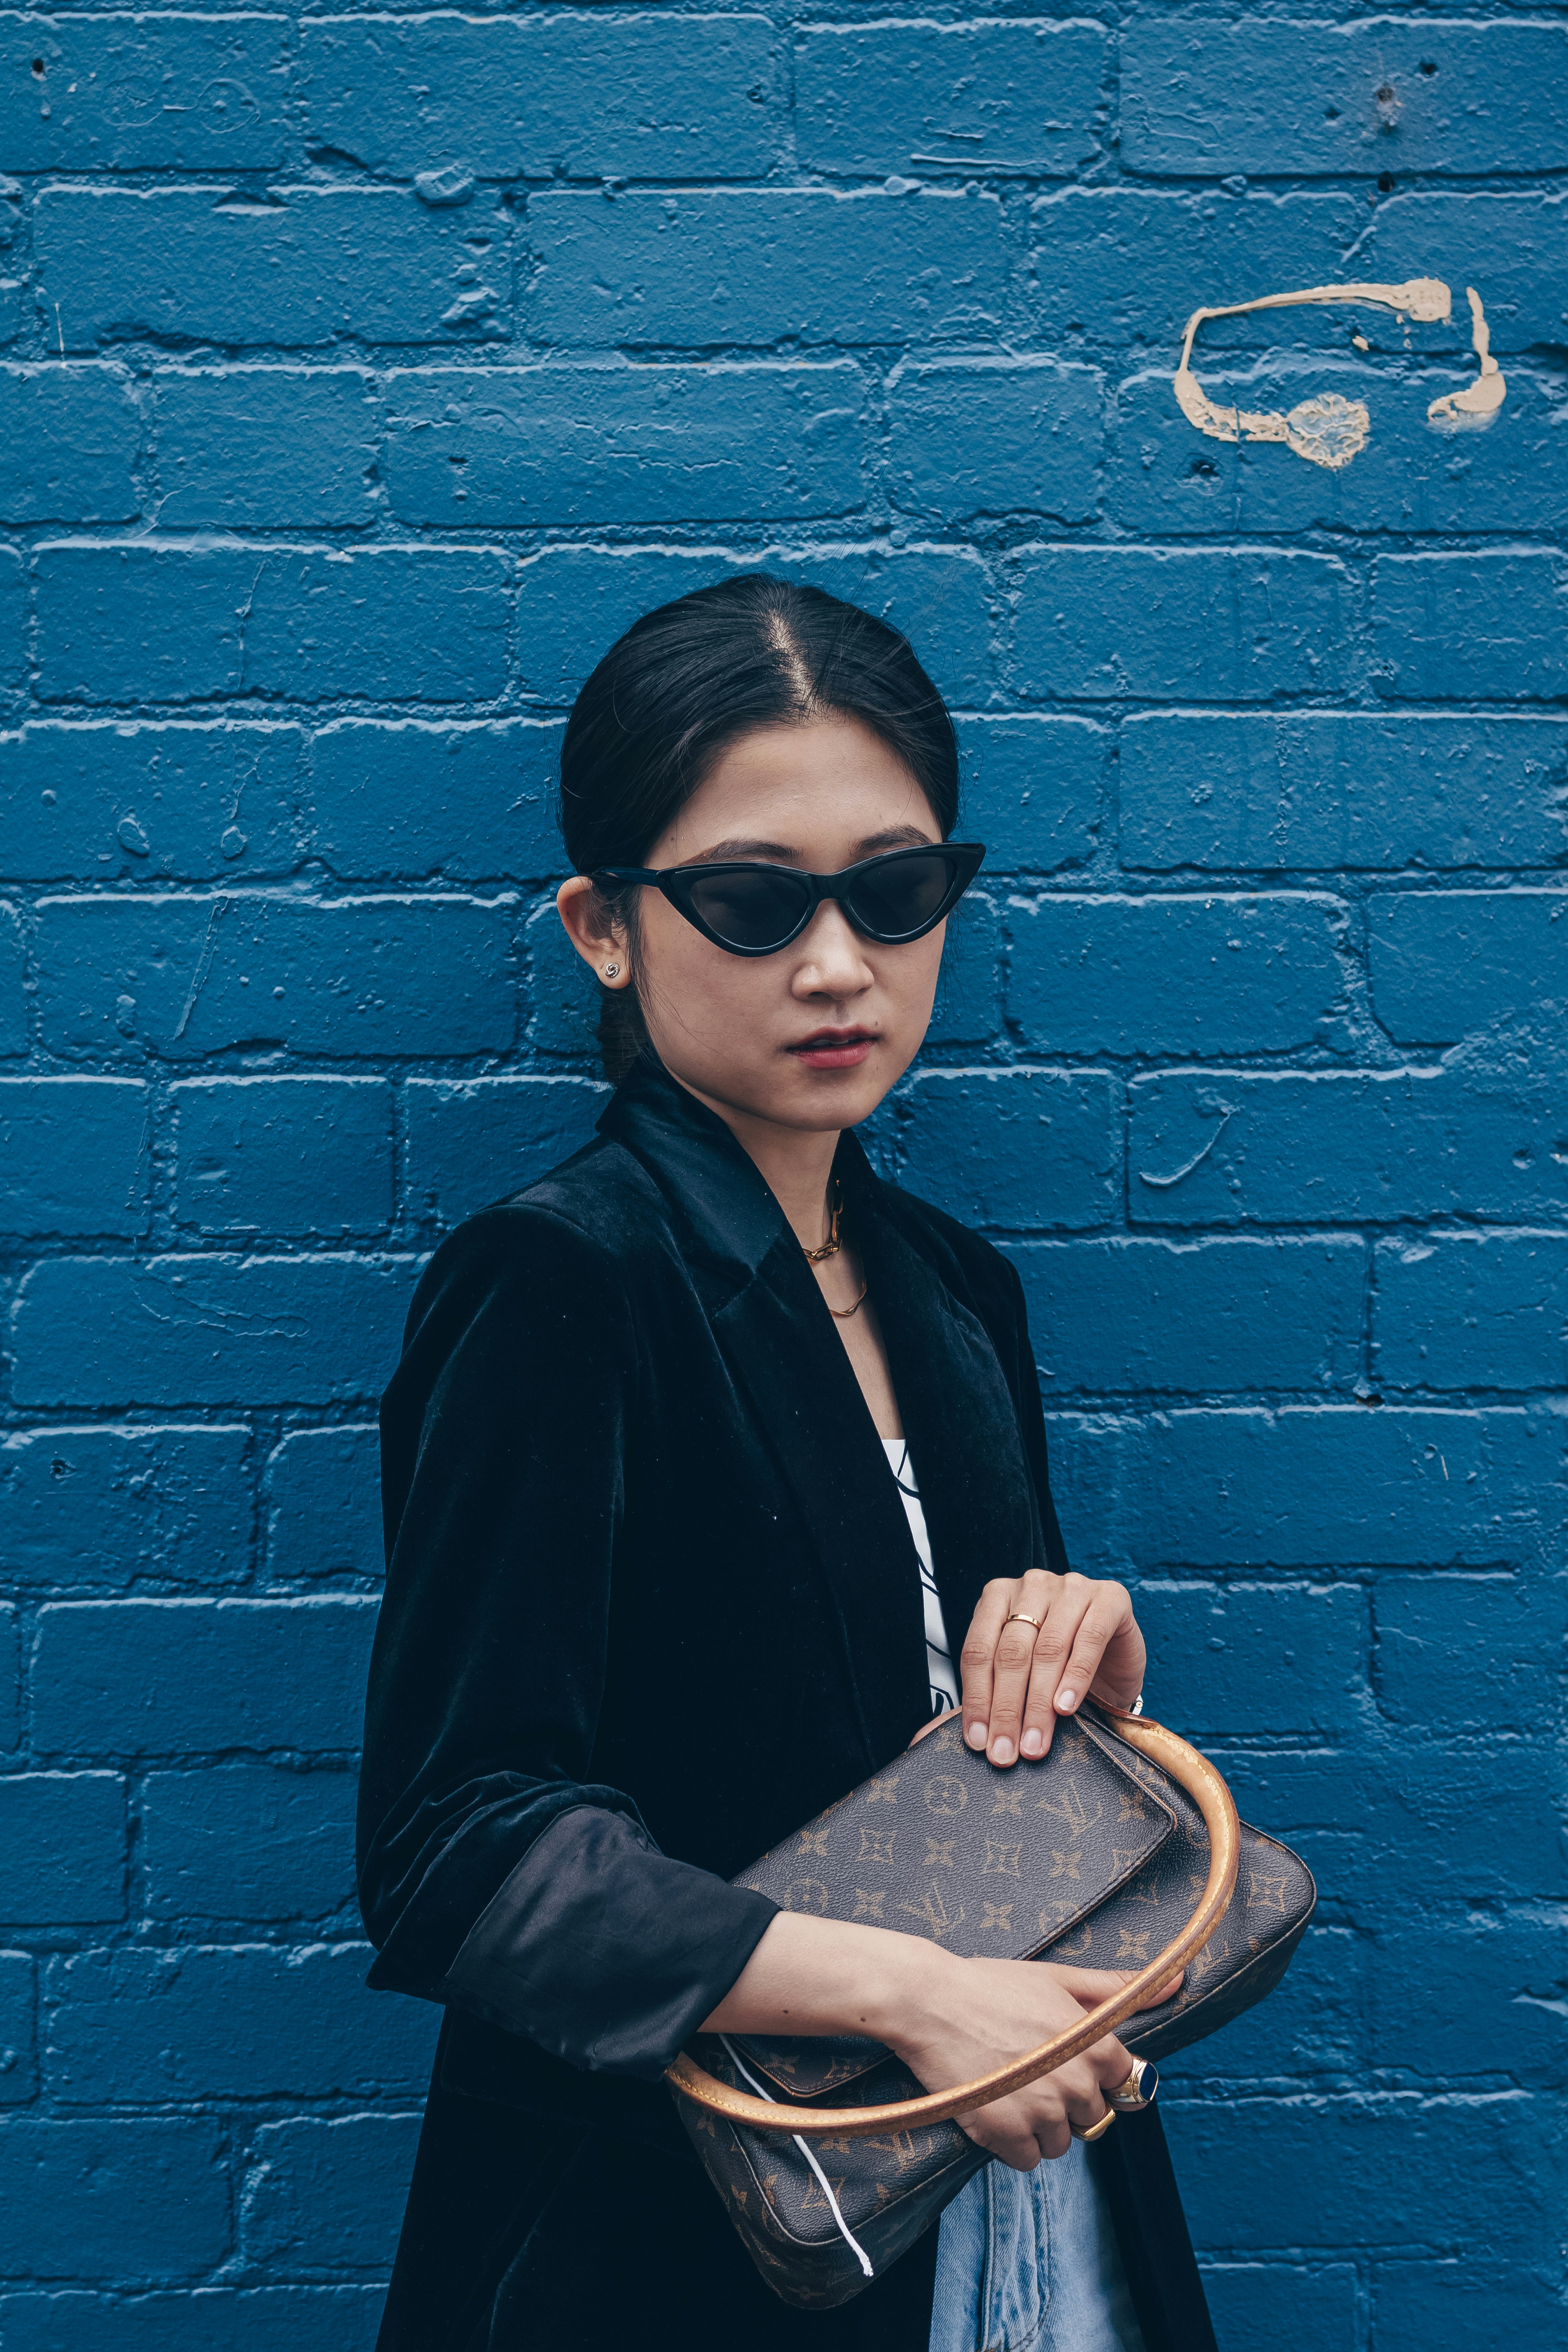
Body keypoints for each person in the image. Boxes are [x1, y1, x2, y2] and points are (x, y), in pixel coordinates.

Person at [358, 577, 1217, 2352]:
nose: (839, 965)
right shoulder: (562, 1281)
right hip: (676, 2231)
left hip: (1018, 2184)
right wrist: (908, 1992)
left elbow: (938, 1769)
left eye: (896, 895)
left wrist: (1079, 1690)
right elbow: (460, 1846)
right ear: (604, 927)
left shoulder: (952, 1288)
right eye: (754, 903)